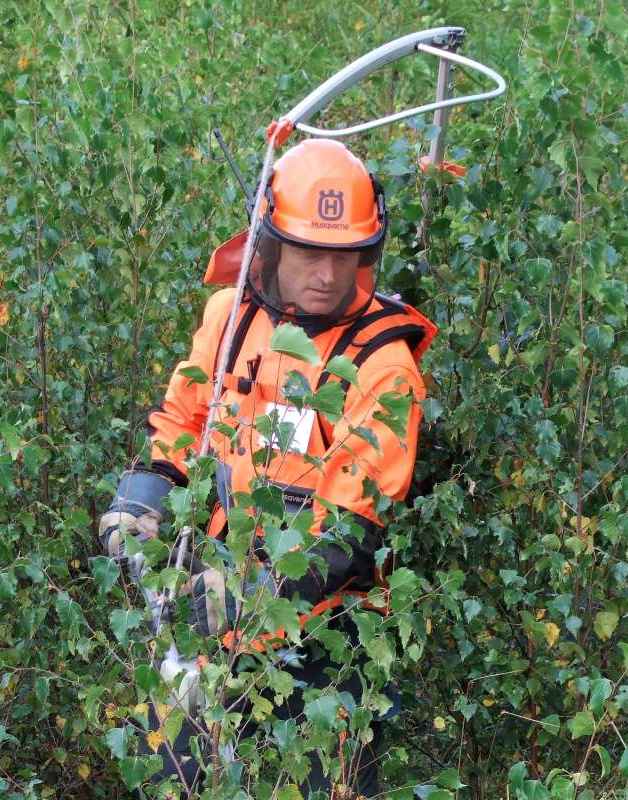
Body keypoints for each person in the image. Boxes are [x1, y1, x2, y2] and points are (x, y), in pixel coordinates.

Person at [100, 138, 437, 797]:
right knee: (174, 778)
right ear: (272, 243)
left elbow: (349, 526)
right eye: (309, 250)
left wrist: (256, 600)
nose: (327, 274)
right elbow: (182, 420)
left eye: (344, 256)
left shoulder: (384, 367)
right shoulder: (230, 320)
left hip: (327, 641)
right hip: (209, 614)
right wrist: (141, 500)